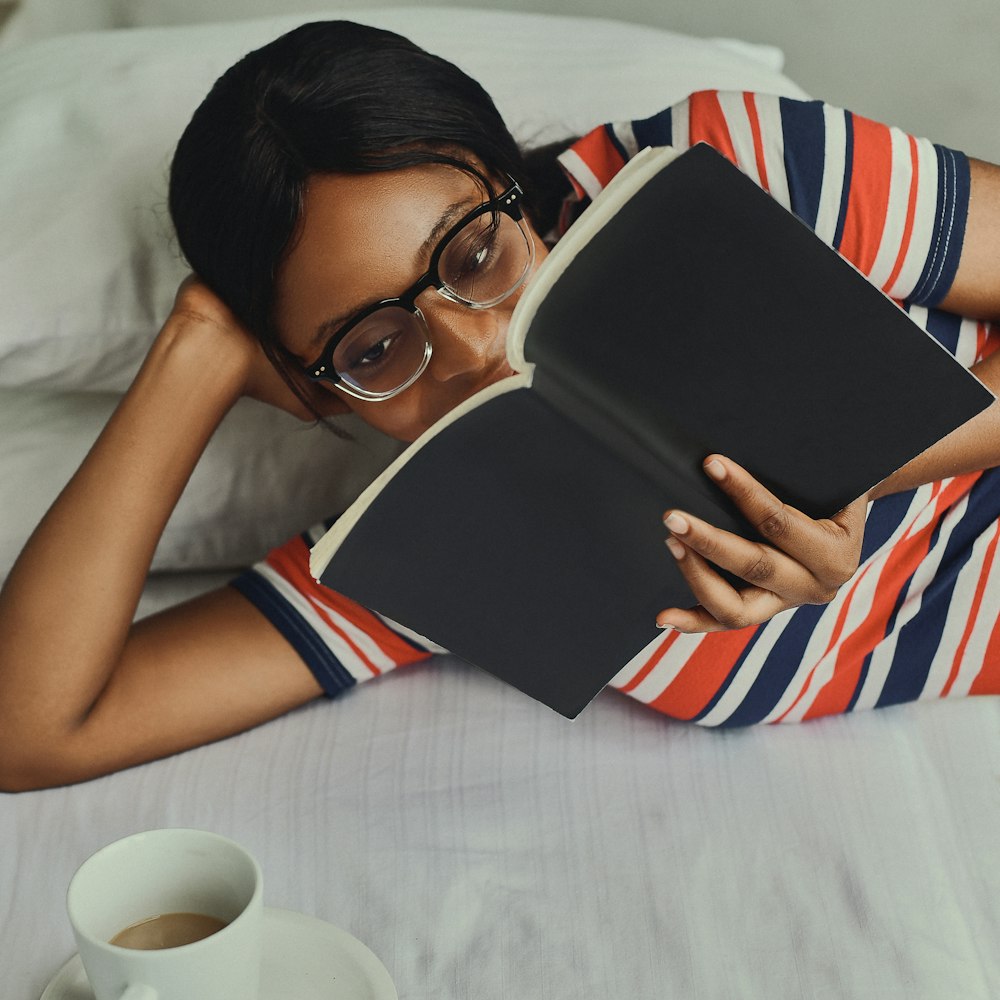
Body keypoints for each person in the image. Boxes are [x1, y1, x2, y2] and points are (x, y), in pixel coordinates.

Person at [0, 21, 997, 792]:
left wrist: (843, 465)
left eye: (476, 255)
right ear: (313, 388)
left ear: (514, 186)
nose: (475, 347)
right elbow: (32, 729)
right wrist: (193, 357)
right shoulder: (449, 544)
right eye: (377, 346)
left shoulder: (734, 173)